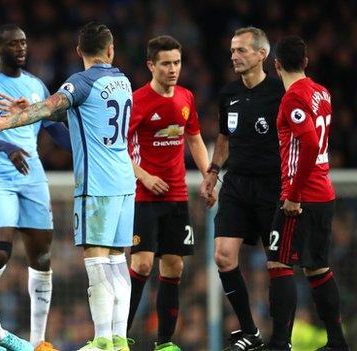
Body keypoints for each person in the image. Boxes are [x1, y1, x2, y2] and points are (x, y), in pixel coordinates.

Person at [0, 22, 135, 351]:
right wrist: (31, 111)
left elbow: (50, 107)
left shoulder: (80, 82)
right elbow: (79, 115)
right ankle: (119, 339)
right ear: (110, 49)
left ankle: (102, 340)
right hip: (124, 180)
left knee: (97, 260)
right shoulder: (123, 81)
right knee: (119, 260)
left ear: (79, 52)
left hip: (97, 183)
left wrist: (6, 120)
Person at [0, 24, 71, 348]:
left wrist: (83, 145)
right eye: (14, 44)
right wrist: (9, 148)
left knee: (41, 258)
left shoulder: (37, 86)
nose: (22, 49)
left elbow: (53, 130)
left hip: (32, 174)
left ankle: (39, 342)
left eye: (24, 43)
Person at [126, 35, 214, 350]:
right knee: (142, 264)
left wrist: (208, 175)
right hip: (143, 195)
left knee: (174, 265)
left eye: (176, 62)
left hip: (176, 195)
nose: (173, 69)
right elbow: (116, 149)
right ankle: (119, 337)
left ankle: (164, 343)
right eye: (166, 63)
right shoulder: (136, 101)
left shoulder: (186, 98)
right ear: (151, 65)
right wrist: (144, 176)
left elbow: (195, 139)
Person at [200, 27, 283, 350]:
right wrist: (213, 171)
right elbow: (224, 138)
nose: (234, 56)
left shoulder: (279, 93)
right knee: (222, 257)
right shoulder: (229, 94)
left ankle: (282, 339)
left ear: (261, 55)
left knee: (277, 265)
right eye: (232, 50)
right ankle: (250, 331)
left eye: (242, 50)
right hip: (236, 184)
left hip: (272, 186)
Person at [265, 35, 349, 351]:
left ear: (276, 65)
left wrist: (294, 195)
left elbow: (311, 143)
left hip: (302, 196)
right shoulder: (322, 93)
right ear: (306, 62)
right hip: (322, 193)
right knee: (317, 268)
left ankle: (279, 343)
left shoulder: (293, 98)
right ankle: (338, 342)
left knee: (278, 263)